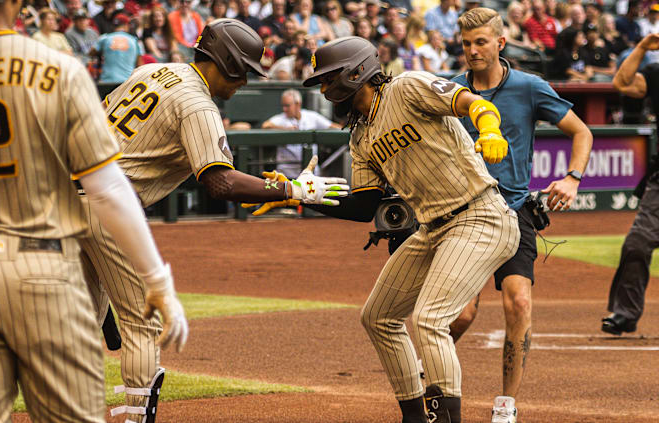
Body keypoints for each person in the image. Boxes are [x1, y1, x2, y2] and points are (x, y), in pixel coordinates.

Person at [0, 0, 188, 420]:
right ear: (18, 4)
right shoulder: (59, 69)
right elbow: (108, 188)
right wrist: (157, 281)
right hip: (43, 271)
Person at [84, 18, 348, 423]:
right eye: (243, 69)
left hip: (67, 197)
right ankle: (135, 418)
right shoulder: (198, 104)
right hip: (110, 206)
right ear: (224, 61)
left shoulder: (151, 71)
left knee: (76, 321)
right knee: (143, 322)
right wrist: (294, 191)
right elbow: (220, 183)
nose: (244, 81)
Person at [248, 35, 520, 423]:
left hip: (480, 215)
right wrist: (299, 196)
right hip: (431, 229)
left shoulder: (407, 87)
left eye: (328, 79)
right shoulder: (360, 135)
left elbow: (472, 102)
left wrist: (490, 130)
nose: (324, 89)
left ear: (356, 73)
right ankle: (415, 416)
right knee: (378, 316)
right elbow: (364, 205)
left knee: (430, 319)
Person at [449, 8, 593, 422]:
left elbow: (582, 131)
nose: (472, 50)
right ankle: (431, 377)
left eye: (480, 42)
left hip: (513, 212)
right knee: (460, 314)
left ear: (500, 43)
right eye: (466, 44)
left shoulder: (529, 87)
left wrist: (572, 178)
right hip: (462, 216)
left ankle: (506, 405)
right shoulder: (451, 91)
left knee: (519, 301)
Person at [603, 32, 659, 336]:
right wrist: (641, 48)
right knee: (637, 244)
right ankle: (625, 313)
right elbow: (621, 83)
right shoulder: (656, 72)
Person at [261, 89, 340, 177]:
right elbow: (265, 125)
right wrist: (285, 129)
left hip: (310, 172)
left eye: (287, 106)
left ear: (298, 104)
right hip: (287, 173)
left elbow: (333, 127)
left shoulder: (311, 116)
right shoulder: (281, 118)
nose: (284, 109)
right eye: (283, 106)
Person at [93, 13, 143, 83]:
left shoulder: (105, 38)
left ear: (114, 26)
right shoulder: (134, 41)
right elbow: (140, 66)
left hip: (106, 81)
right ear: (126, 25)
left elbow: (91, 53)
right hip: (127, 82)